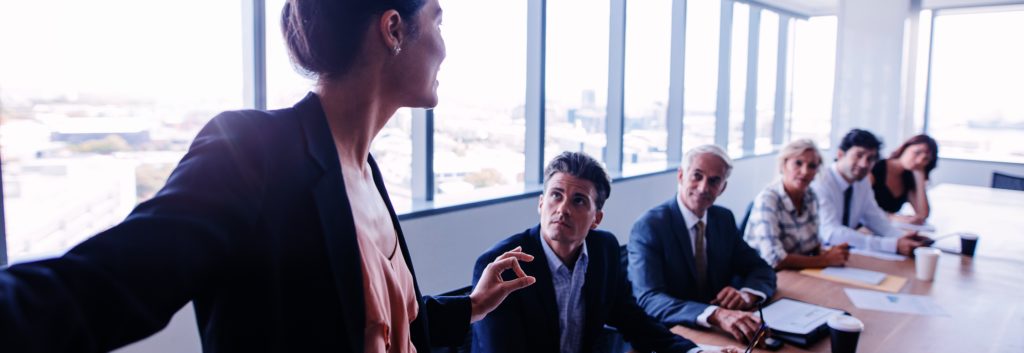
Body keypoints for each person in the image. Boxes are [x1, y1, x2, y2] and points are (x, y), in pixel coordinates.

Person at [0, 1, 536, 351]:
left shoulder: (368, 171)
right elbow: (104, 284)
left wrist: (472, 303)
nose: (444, 44)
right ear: (393, 29)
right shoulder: (252, 153)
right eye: (438, 20)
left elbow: (390, 329)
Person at [472, 151, 738, 353]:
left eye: (579, 201)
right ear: (541, 204)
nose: (562, 209)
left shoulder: (604, 250)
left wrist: (695, 350)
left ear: (596, 218)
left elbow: (633, 321)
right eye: (556, 195)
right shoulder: (503, 266)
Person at [629, 145, 777, 344]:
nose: (703, 187)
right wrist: (715, 314)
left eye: (714, 180)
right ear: (681, 176)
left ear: (723, 187)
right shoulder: (650, 226)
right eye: (697, 176)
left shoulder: (723, 219)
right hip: (672, 335)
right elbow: (649, 299)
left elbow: (761, 268)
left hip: (722, 333)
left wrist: (747, 295)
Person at [812, 129, 931, 256]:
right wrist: (892, 245)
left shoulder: (861, 182)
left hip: (844, 255)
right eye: (859, 155)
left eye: (870, 158)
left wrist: (902, 238)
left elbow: (875, 218)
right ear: (841, 154)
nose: (864, 164)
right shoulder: (821, 182)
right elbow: (831, 233)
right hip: (816, 255)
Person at [744, 139, 850, 270]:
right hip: (766, 276)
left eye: (812, 166)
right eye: (798, 163)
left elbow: (812, 244)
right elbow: (774, 259)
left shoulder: (810, 195)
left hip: (796, 273)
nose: (805, 171)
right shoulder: (768, 199)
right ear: (784, 165)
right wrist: (825, 260)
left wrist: (828, 253)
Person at [868, 134, 939, 225]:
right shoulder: (876, 168)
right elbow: (861, 207)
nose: (919, 161)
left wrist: (920, 176)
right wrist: (891, 217)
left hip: (886, 228)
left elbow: (922, 214)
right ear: (905, 147)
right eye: (917, 152)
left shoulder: (908, 178)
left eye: (925, 159)